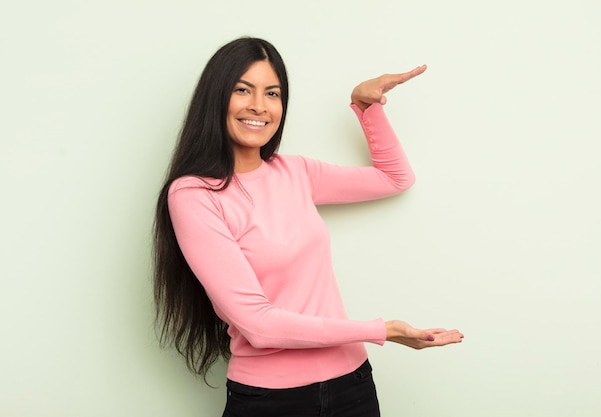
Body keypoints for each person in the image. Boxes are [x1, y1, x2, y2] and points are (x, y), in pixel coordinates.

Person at [153, 36, 463, 417]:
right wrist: (381, 330)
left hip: (353, 386)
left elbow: (396, 178)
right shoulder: (194, 195)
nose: (258, 106)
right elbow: (259, 326)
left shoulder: (294, 171)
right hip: (271, 401)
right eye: (242, 90)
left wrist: (365, 106)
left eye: (272, 93)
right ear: (216, 98)